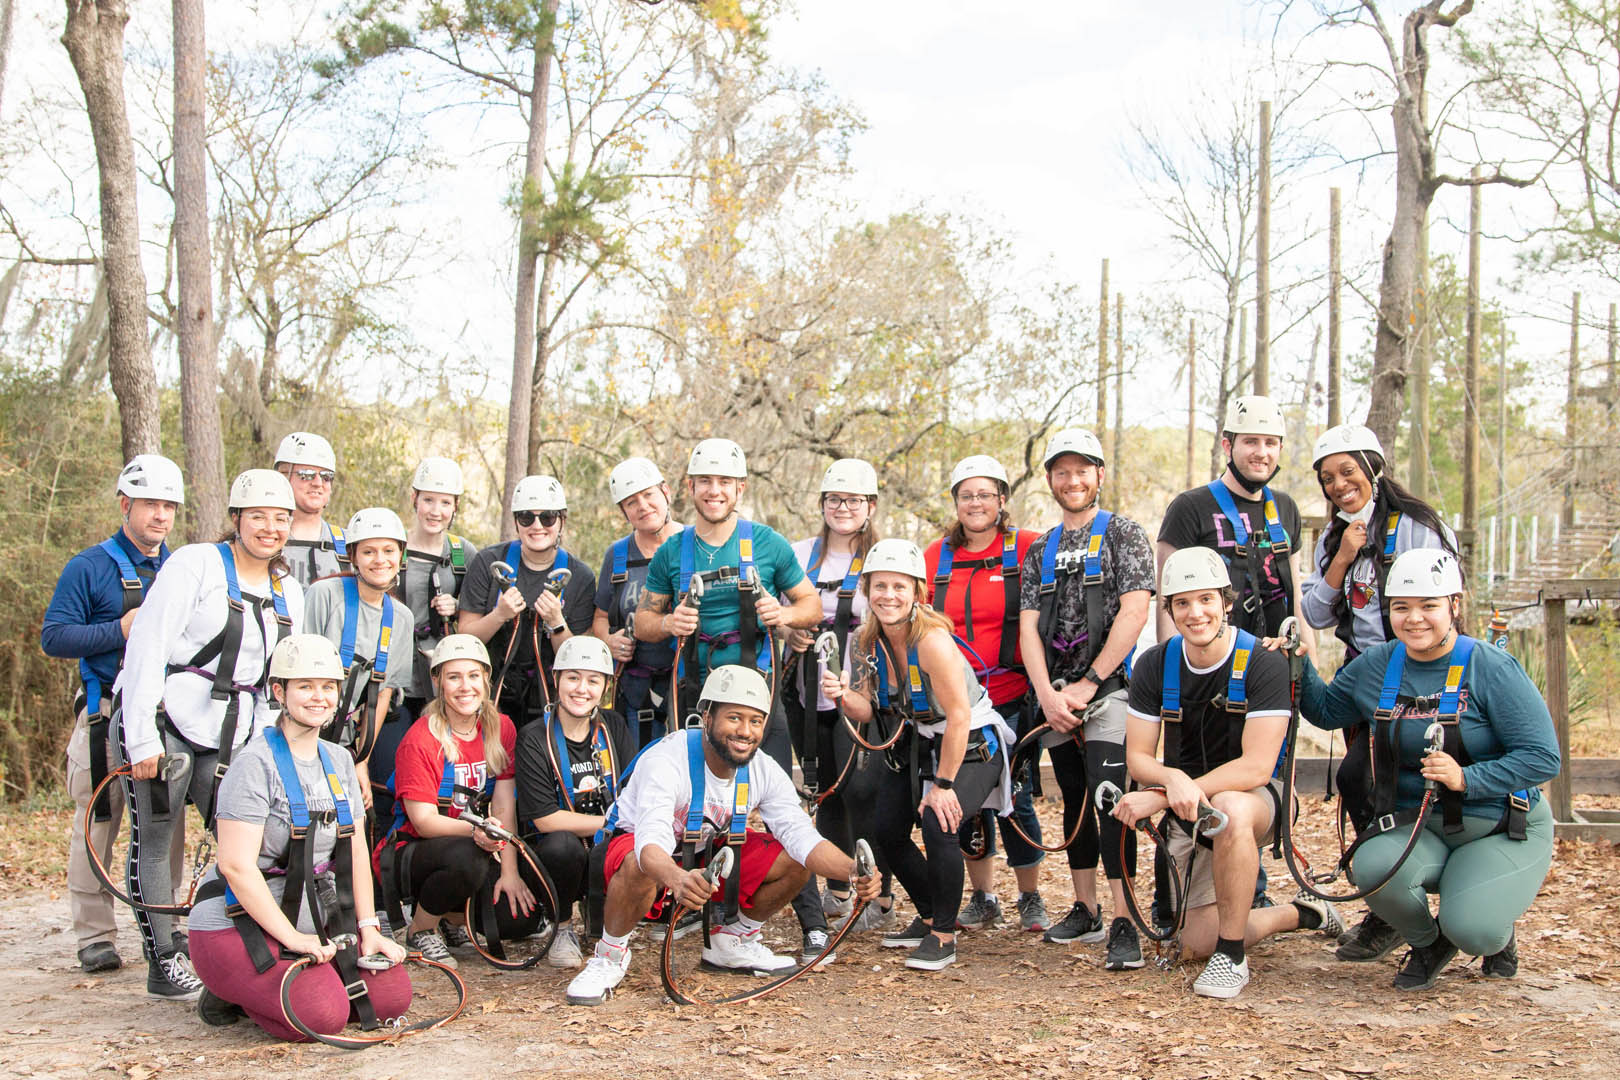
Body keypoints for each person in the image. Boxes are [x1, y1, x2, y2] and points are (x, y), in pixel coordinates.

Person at [1294, 548, 1558, 990]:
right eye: (1402, 607)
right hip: (1421, 826)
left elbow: (1543, 756)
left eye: (1429, 606)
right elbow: (1324, 711)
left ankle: (1489, 924)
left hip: (1499, 826)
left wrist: (1467, 778)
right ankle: (1428, 940)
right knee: (1372, 868)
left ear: (1454, 606)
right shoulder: (1377, 665)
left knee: (1473, 927)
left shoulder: (1490, 667)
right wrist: (1298, 663)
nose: (1414, 619)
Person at [563, 665, 880, 1006]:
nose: (745, 731)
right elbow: (649, 843)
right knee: (639, 864)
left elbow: (802, 837)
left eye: (756, 721)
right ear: (707, 716)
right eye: (734, 718)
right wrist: (677, 879)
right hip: (640, 851)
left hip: (704, 850)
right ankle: (609, 956)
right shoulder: (666, 761)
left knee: (794, 859)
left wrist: (851, 871)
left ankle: (732, 942)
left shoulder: (763, 768)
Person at [1112, 547, 1342, 1000]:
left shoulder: (1262, 661)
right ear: (1170, 609)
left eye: (1206, 600)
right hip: (1189, 806)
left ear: (1226, 601)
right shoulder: (1155, 665)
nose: (1195, 613)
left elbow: (1256, 765)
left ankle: (1232, 956)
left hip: (1257, 797)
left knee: (1231, 810)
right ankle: (1300, 914)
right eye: (1182, 602)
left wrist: (1164, 793)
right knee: (1192, 942)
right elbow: (1138, 756)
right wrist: (1172, 783)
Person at [632, 438, 827, 961]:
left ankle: (810, 922)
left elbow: (809, 603)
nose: (714, 491)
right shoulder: (673, 552)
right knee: (698, 803)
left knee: (779, 799)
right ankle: (701, 912)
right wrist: (670, 622)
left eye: (724, 483)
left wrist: (783, 616)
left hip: (759, 690)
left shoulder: (766, 543)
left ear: (739, 488)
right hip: (697, 691)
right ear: (690, 488)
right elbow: (643, 621)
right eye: (705, 482)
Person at [117, 469, 306, 999]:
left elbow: (281, 676)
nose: (269, 527)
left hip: (236, 733)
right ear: (237, 518)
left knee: (241, 846)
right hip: (166, 720)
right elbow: (147, 648)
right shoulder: (195, 565)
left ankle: (226, 948)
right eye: (259, 516)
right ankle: (163, 957)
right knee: (155, 840)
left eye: (280, 518)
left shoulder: (288, 589)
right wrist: (142, 739)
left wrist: (273, 749)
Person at [189, 635, 410, 1040]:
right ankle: (231, 990)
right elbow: (235, 866)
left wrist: (368, 928)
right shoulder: (254, 765)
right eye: (305, 686)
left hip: (310, 913)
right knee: (322, 1015)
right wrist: (293, 938)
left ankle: (288, 978)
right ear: (279, 691)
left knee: (389, 999)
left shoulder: (340, 759)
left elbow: (356, 850)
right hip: (238, 922)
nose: (318, 698)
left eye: (328, 687)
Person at [1300, 423, 1459, 963]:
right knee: (1361, 782)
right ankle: (1387, 906)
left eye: (1348, 472)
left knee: (1403, 780)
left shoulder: (1417, 527)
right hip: (1363, 676)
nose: (1340, 485)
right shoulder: (1331, 538)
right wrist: (1344, 554)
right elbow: (1317, 613)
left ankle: (1436, 901)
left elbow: (1444, 602)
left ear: (1374, 468)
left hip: (1417, 672)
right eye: (1328, 479)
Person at [824, 539, 1017, 972]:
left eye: (898, 587)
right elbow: (871, 708)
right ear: (867, 590)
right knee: (886, 827)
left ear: (917, 593)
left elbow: (960, 716)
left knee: (939, 822)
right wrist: (842, 696)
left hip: (970, 743)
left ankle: (944, 936)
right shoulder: (867, 641)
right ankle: (930, 914)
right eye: (879, 586)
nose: (888, 596)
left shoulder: (931, 642)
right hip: (918, 742)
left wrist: (944, 786)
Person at [1156, 394, 1309, 913]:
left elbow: (1291, 581)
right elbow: (1167, 587)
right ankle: (1181, 895)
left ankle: (1250, 896)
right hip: (1205, 667)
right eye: (1250, 442)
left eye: (1270, 443)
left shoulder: (1283, 508)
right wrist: (1168, 659)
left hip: (1268, 669)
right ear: (1229, 445)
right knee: (1198, 770)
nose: (1260, 452)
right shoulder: (1191, 507)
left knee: (1257, 780)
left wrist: (1301, 633)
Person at [1017, 429, 1155, 968]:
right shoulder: (1040, 550)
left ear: (1099, 475)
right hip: (1055, 696)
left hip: (1110, 690)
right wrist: (1046, 696)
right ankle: (1086, 907)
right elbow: (1028, 628)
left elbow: (1135, 611)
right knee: (1073, 797)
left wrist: (1091, 683)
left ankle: (1127, 919)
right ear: (1050, 479)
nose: (1072, 481)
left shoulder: (1124, 534)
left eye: (1082, 471)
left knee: (1108, 799)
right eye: (1061, 472)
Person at [41, 454, 184, 974]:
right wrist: (118, 631)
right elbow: (54, 636)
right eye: (149, 504)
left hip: (165, 718)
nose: (160, 516)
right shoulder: (89, 567)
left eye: (168, 506)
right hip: (105, 713)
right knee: (99, 822)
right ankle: (95, 935)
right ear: (125, 503)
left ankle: (166, 924)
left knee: (164, 826)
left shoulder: (181, 568)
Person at [922, 454, 1047, 934]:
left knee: (1016, 797)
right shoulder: (936, 558)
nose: (976, 503)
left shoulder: (1029, 547)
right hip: (958, 702)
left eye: (985, 494)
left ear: (1001, 499)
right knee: (968, 802)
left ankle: (1030, 895)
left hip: (1013, 696)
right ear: (956, 502)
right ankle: (983, 895)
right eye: (966, 495)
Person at [786, 458, 896, 935]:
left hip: (861, 690)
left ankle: (881, 893)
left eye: (853, 500)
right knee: (825, 789)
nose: (843, 508)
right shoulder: (800, 553)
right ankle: (838, 888)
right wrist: (790, 631)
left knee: (862, 793)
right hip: (807, 692)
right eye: (835, 500)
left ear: (870, 505)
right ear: (823, 505)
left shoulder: (882, 557)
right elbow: (783, 609)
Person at [379, 634, 536, 967]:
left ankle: (452, 922)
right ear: (437, 681)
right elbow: (422, 820)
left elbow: (504, 804)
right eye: (454, 677)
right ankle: (420, 929)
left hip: (477, 842)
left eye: (473, 676)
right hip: (419, 849)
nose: (465, 687)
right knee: (468, 856)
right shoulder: (420, 739)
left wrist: (509, 872)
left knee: (517, 921)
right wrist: (477, 832)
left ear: (485, 680)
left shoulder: (501, 728)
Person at [514, 635, 634, 970]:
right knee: (561, 846)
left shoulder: (614, 727)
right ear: (556, 680)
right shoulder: (534, 737)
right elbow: (545, 820)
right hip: (555, 855)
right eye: (573, 677)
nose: (582, 689)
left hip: (603, 845)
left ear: (605, 687)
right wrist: (611, 823)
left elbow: (631, 792)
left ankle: (608, 925)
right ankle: (562, 925)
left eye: (593, 680)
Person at [457, 475, 596, 730]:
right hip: (492, 696)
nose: (537, 525)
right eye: (526, 517)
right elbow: (464, 636)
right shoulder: (488, 562)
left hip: (550, 700)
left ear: (561, 521)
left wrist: (556, 621)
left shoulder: (581, 577)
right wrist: (499, 615)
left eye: (547, 517)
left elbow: (579, 660)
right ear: (516, 522)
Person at [301, 508, 416, 810]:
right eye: (369, 551)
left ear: (400, 556)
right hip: (307, 726)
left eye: (388, 551)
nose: (380, 560)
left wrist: (360, 759)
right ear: (353, 557)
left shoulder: (401, 618)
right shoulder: (324, 595)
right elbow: (298, 670)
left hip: (350, 735)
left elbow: (383, 691)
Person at [591, 456, 680, 750]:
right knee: (638, 765)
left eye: (648, 495)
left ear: (666, 492)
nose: (642, 506)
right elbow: (601, 616)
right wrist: (608, 640)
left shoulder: (693, 544)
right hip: (635, 686)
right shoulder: (617, 557)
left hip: (686, 680)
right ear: (624, 512)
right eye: (631, 502)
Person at [396, 457, 479, 720]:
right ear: (414, 499)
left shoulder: (462, 553)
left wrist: (456, 607)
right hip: (396, 669)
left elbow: (476, 610)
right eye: (428, 500)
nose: (435, 511)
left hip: (441, 671)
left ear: (455, 506)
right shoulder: (394, 547)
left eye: (445, 502)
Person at [274, 432, 347, 588]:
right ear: (282, 476)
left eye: (326, 476)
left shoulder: (350, 545)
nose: (318, 483)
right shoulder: (261, 541)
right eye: (306, 475)